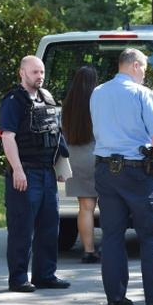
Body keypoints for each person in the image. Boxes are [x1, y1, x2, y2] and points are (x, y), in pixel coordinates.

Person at [90, 48, 153, 305]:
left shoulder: (97, 93)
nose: (144, 73)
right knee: (152, 233)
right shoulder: (143, 94)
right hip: (137, 171)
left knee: (112, 235)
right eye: (143, 68)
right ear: (134, 66)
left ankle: (116, 298)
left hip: (106, 170)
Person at [0, 55, 71, 292]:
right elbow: (8, 137)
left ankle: (45, 275)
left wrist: (61, 167)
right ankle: (19, 278)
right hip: (26, 172)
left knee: (50, 227)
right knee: (22, 228)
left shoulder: (47, 97)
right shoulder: (13, 100)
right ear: (22, 73)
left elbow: (56, 135)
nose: (39, 76)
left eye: (41, 72)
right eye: (34, 73)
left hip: (47, 173)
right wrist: (18, 170)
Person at [62, 66, 101, 263]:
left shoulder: (67, 106)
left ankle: (88, 251)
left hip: (74, 160)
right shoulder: (98, 102)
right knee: (111, 207)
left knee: (85, 208)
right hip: (98, 158)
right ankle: (112, 250)